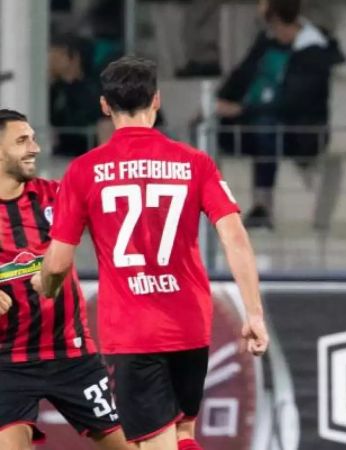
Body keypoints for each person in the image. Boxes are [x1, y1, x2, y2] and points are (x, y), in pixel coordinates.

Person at [35, 56, 269, 450]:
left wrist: (44, 283)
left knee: (152, 445)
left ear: (105, 106)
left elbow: (57, 263)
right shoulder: (195, 163)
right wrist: (254, 314)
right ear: (156, 101)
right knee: (182, 434)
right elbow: (235, 238)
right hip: (191, 324)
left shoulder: (84, 171)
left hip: (133, 331)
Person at [0, 109, 132, 450]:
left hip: (73, 355)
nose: (35, 147)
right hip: (6, 363)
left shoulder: (56, 195)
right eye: (22, 140)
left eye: (33, 137)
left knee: (134, 446)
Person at [216, 0, 345, 228]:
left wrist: (241, 110)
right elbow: (243, 74)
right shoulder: (267, 41)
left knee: (267, 126)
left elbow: (292, 104)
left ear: (277, 19)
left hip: (299, 131)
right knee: (212, 126)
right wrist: (222, 100)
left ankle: (263, 206)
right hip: (255, 121)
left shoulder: (314, 53)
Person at [48, 33, 106, 157]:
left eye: (58, 55)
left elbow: (103, 125)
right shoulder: (55, 90)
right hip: (60, 157)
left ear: (74, 58)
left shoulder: (93, 91)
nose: (51, 59)